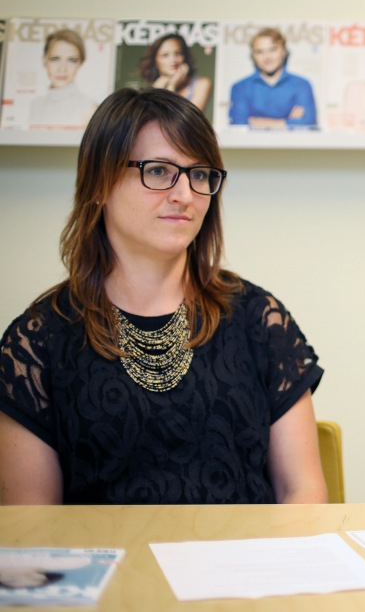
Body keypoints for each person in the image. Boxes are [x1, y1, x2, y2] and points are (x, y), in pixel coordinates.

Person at [0, 88, 326, 505]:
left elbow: (302, 491)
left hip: (246, 550)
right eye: (157, 171)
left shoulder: (259, 318)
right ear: (99, 182)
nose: (185, 195)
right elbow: (32, 525)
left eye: (199, 174)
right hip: (106, 552)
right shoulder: (38, 341)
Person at [228, 28, 317, 129]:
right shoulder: (240, 87)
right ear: (253, 55)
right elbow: (238, 123)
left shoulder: (301, 85)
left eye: (273, 50)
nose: (267, 57)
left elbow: (307, 123)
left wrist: (254, 122)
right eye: (260, 52)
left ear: (284, 52)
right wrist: (288, 122)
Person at [27, 29, 97, 129]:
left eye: (72, 60)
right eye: (55, 59)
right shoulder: (36, 105)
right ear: (44, 60)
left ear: (80, 63)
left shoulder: (89, 108)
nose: (62, 69)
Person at [138, 33, 212, 114]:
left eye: (178, 53)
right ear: (155, 61)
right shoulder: (154, 88)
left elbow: (187, 119)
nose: (173, 60)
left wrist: (172, 86)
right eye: (165, 55)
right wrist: (157, 89)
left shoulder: (202, 83)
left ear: (185, 56)